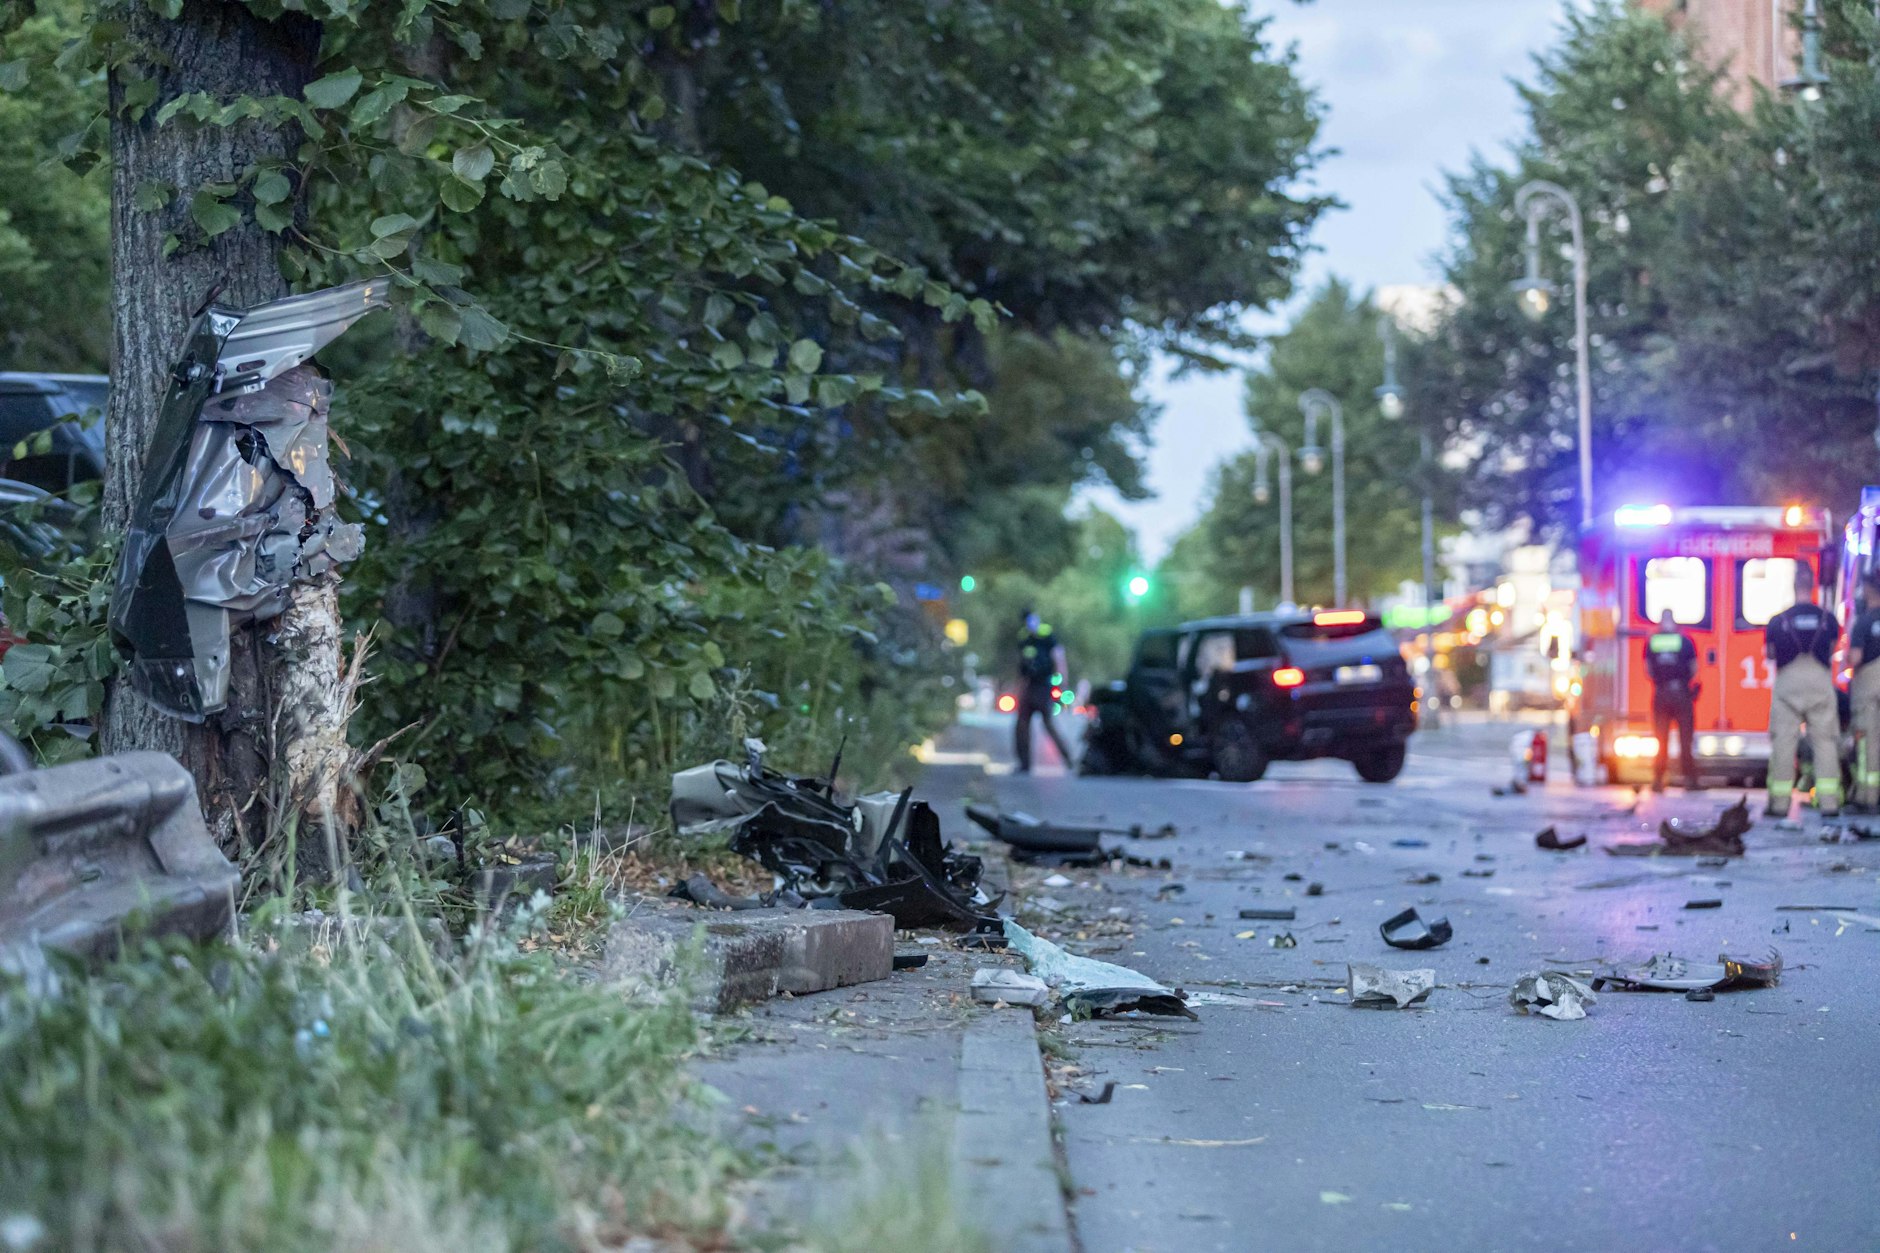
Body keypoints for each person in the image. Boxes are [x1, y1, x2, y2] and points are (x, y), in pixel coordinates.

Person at [1765, 566, 1842, 818]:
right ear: (1812, 587)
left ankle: (1778, 804)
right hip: (1819, 680)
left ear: (1794, 586)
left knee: (1784, 742)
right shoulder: (1828, 619)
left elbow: (1771, 654)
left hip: (1788, 681)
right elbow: (1831, 649)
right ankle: (1829, 802)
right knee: (1825, 742)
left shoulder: (1778, 621)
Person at [1644, 609, 1700, 792]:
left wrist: (1661, 681)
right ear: (1674, 622)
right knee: (1685, 739)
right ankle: (1690, 781)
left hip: (1661, 694)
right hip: (1682, 693)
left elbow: (1648, 669)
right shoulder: (1685, 641)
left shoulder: (1652, 641)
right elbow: (1694, 668)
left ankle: (1658, 781)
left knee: (1661, 739)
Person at [1013, 608, 1072, 773]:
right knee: (1021, 725)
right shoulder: (1024, 637)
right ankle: (1024, 764)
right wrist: (1020, 686)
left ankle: (1068, 759)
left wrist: (1063, 681)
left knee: (1048, 724)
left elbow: (1058, 657)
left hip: (1043, 686)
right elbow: (1022, 664)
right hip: (1030, 685)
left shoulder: (1047, 635)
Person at [1846, 573, 1880, 809]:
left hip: (1869, 687)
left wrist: (1845, 661)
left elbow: (1855, 657)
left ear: (1869, 590)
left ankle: (1868, 796)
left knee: (1868, 742)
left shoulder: (1864, 622)